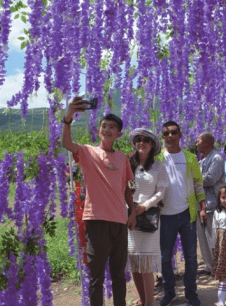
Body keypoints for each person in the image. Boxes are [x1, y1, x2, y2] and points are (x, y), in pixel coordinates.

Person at [61, 97, 137, 306]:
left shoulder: (122, 158)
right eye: (104, 126)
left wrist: (133, 212)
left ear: (119, 133)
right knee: (96, 277)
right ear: (98, 131)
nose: (107, 129)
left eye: (112, 127)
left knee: (119, 275)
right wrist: (68, 118)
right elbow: (66, 143)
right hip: (96, 221)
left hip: (120, 222)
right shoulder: (87, 152)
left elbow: (128, 187)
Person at [158, 121, 207, 306]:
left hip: (188, 213)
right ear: (162, 137)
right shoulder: (157, 158)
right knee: (165, 257)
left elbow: (198, 184)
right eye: (166, 133)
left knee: (191, 257)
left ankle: (191, 293)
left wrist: (203, 208)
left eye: (173, 132)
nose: (169, 136)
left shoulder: (190, 157)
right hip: (165, 215)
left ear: (180, 134)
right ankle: (169, 292)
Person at [127, 128, 168, 306]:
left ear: (152, 145)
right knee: (135, 263)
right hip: (129, 216)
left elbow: (161, 192)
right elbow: (126, 188)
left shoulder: (159, 167)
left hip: (148, 217)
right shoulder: (129, 165)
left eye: (146, 140)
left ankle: (149, 303)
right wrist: (130, 207)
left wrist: (144, 206)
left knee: (145, 265)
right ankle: (143, 300)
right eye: (138, 139)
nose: (141, 142)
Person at [195, 132, 225, 276]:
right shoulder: (201, 160)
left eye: (198, 141)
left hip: (212, 204)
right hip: (201, 204)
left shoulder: (216, 158)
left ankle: (219, 265)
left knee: (213, 237)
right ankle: (209, 266)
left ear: (207, 142)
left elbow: (210, 179)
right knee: (203, 238)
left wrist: (192, 178)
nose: (196, 144)